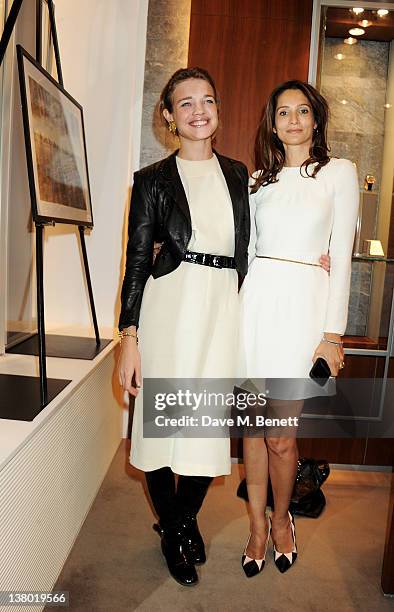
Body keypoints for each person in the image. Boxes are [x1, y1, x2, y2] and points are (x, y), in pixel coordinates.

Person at [116, 67, 250, 586]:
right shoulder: (151, 181)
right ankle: (176, 533)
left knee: (203, 424)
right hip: (168, 305)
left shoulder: (238, 174)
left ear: (217, 110)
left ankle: (180, 518)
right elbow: (135, 262)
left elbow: (256, 242)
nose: (199, 111)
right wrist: (130, 336)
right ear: (169, 117)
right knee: (161, 424)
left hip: (221, 308)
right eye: (186, 103)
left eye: (207, 100)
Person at [239, 80, 359, 577]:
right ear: (272, 122)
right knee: (251, 430)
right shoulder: (255, 181)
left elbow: (344, 258)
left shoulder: (339, 173)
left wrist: (332, 334)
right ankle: (255, 529)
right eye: (283, 112)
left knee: (281, 437)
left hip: (302, 310)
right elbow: (245, 255)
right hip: (255, 308)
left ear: (315, 119)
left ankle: (283, 520)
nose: (292, 120)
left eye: (302, 111)